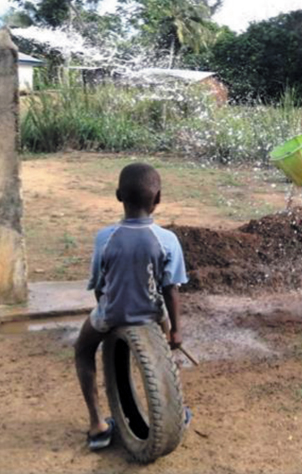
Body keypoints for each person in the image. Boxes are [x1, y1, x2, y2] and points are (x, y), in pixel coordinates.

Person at [74, 162, 188, 450]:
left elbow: (99, 285)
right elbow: (170, 289)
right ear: (158, 199)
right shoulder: (167, 240)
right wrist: (175, 331)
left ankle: (97, 425)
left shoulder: (105, 237)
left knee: (83, 351)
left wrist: (110, 317)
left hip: (112, 313)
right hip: (152, 313)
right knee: (163, 355)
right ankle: (175, 412)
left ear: (118, 196)